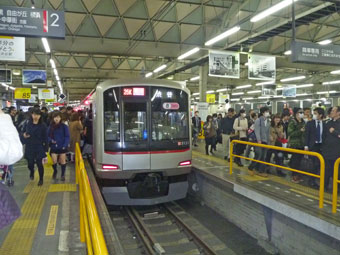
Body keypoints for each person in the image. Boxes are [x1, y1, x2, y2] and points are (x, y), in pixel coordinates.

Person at [22, 108, 48, 186]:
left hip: (39, 147)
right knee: (30, 163)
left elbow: (45, 138)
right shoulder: (27, 123)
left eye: (37, 115)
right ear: (31, 115)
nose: (35, 116)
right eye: (34, 114)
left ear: (40, 116)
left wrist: (46, 150)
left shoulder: (43, 125)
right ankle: (32, 171)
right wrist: (24, 135)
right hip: (29, 146)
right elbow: (22, 132)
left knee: (40, 164)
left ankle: (41, 179)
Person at [304, 107, 325, 188]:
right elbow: (307, 135)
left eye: (316, 113)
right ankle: (311, 180)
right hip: (313, 146)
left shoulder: (324, 124)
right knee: (313, 164)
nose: (314, 115)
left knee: (319, 164)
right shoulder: (310, 123)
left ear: (321, 115)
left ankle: (316, 179)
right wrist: (306, 146)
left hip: (321, 146)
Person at [248, 107, 270, 177]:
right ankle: (251, 167)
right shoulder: (258, 120)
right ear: (263, 112)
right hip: (258, 141)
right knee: (258, 155)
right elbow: (257, 131)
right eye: (266, 111)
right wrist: (259, 140)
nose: (268, 113)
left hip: (265, 141)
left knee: (263, 156)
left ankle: (261, 171)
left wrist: (268, 141)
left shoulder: (268, 121)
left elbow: (268, 132)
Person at [322, 106, 340, 191]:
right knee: (326, 170)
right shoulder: (327, 123)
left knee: (337, 172)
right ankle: (324, 186)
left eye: (333, 111)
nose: (331, 112)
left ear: (338, 113)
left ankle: (337, 188)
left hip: (337, 152)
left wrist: (334, 132)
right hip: (327, 152)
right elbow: (324, 137)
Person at [48, 111, 70, 181]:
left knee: (63, 161)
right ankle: (55, 171)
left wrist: (65, 145)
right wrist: (51, 140)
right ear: (53, 118)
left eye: (58, 117)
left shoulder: (64, 127)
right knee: (54, 161)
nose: (56, 119)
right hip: (53, 146)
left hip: (62, 146)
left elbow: (67, 136)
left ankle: (63, 174)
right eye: (55, 117)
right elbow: (47, 136)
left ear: (61, 118)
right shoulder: (50, 127)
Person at [288, 107, 305, 183]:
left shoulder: (303, 121)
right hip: (295, 144)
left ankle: (298, 174)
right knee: (295, 160)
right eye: (300, 112)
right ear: (296, 113)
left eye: (302, 112)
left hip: (302, 144)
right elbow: (290, 133)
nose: (302, 114)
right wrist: (300, 131)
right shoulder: (293, 122)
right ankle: (294, 175)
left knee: (299, 160)